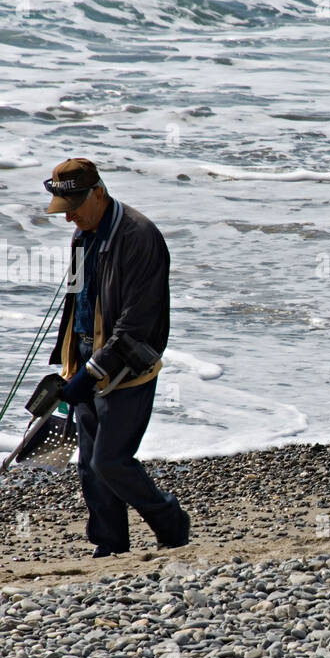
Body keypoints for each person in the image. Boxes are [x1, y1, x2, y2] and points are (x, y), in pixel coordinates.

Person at [44, 158, 190, 557]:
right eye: (64, 210)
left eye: (75, 206)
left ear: (99, 193)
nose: (70, 217)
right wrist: (69, 362)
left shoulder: (140, 237)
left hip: (128, 366)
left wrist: (91, 373)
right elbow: (77, 304)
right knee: (89, 465)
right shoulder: (82, 236)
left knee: (111, 460)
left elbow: (137, 324)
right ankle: (110, 544)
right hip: (87, 359)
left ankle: (171, 522)